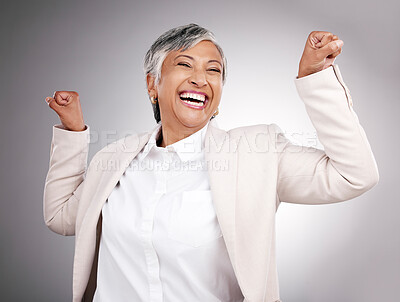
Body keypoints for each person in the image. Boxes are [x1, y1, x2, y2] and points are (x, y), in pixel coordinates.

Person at [43, 23, 379, 302]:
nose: (200, 79)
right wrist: (73, 132)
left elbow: (354, 174)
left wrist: (315, 79)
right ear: (152, 85)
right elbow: (61, 216)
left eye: (213, 70)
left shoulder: (256, 153)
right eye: (185, 65)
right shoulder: (116, 159)